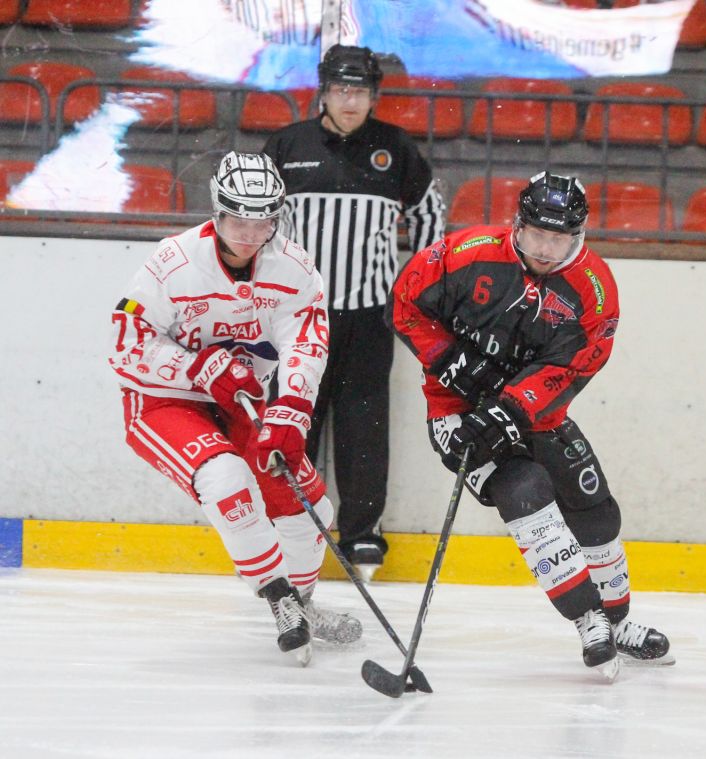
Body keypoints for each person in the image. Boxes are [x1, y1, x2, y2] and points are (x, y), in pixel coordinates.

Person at [387, 171, 673, 679]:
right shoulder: (466, 251)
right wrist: (450, 360)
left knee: (595, 509)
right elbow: (408, 302)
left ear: (578, 235)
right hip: (458, 413)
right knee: (527, 491)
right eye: (536, 234)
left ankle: (618, 619)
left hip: (537, 414)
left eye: (558, 238)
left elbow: (575, 365)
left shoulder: (593, 289)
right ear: (516, 224)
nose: (544, 248)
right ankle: (589, 618)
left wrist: (512, 408)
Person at [108, 151, 362, 665]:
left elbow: (306, 344)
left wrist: (291, 410)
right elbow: (125, 345)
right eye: (237, 219)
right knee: (226, 478)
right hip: (165, 400)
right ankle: (278, 597)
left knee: (310, 506)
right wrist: (199, 368)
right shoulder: (171, 264)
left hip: (246, 401)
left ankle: (303, 603)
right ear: (217, 212)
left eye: (262, 220)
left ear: (277, 218)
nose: (249, 233)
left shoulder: (295, 269)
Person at [263, 44, 446, 579]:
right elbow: (255, 219)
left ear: (374, 95)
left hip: (370, 317)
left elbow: (429, 212)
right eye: (341, 89)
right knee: (295, 417)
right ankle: (288, 525)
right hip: (298, 317)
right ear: (323, 89)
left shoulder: (395, 148)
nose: (350, 101)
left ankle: (363, 535)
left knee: (364, 426)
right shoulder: (288, 145)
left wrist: (417, 287)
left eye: (360, 91)